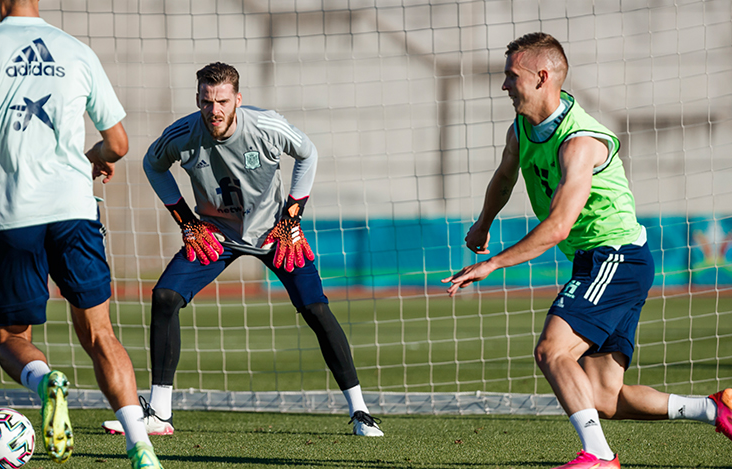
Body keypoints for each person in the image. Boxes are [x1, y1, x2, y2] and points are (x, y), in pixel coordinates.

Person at [442, 32, 732, 469]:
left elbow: (558, 225)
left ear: (542, 77)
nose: (503, 86)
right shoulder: (521, 129)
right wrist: (483, 223)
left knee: (552, 352)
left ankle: (598, 455)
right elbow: (505, 177)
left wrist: (494, 263)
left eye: (511, 76)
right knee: (603, 397)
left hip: (614, 256)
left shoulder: (580, 142)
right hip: (605, 260)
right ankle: (717, 409)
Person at [0, 0, 162, 467]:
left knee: (10, 338)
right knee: (99, 333)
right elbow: (119, 143)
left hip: (10, 216)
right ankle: (141, 447)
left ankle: (45, 380)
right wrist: (94, 158)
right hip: (75, 210)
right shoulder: (77, 51)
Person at [100, 62, 383, 438]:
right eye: (205, 101)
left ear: (237, 99)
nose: (213, 110)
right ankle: (160, 415)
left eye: (221, 101)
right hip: (216, 235)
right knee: (165, 296)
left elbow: (308, 153)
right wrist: (186, 221)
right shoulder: (183, 134)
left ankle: (360, 411)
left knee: (315, 308)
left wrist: (292, 217)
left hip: (275, 235)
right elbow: (153, 165)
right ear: (197, 99)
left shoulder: (267, 126)